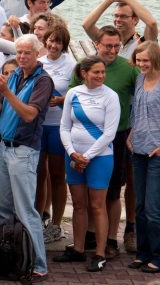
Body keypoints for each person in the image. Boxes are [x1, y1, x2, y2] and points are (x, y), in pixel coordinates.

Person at [0, 34, 53, 282]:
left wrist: (5, 91)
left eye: (27, 53)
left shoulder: (43, 81)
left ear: (37, 54)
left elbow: (28, 115)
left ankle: (39, 264)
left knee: (26, 210)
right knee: (3, 209)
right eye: (19, 53)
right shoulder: (14, 76)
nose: (22, 57)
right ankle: (11, 258)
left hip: (24, 150)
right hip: (5, 147)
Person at [71, 25, 138, 259]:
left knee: (111, 192)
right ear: (96, 44)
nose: (111, 50)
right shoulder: (83, 68)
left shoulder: (129, 68)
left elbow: (141, 98)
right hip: (82, 141)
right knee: (85, 193)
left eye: (116, 46)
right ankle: (88, 237)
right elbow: (71, 98)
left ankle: (111, 240)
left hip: (116, 136)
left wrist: (136, 128)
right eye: (107, 45)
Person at [52, 56, 120, 272]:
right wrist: (72, 153)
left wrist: (87, 156)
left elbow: (109, 133)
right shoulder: (73, 94)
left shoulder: (111, 96)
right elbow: (64, 127)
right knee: (79, 205)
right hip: (73, 157)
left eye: (103, 72)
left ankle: (100, 254)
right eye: (96, 72)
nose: (101, 76)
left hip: (99, 158)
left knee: (97, 206)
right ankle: (78, 249)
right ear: (84, 73)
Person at [38, 25, 76, 244]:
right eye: (51, 40)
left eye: (58, 42)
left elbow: (76, 93)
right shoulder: (39, 63)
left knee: (57, 176)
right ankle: (39, 218)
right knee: (38, 175)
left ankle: (56, 224)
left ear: (64, 45)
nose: (53, 45)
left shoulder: (71, 65)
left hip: (58, 126)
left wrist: (61, 100)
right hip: (38, 126)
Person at [130, 41, 160, 272]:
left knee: (153, 209)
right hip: (137, 149)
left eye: (146, 60)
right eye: (139, 60)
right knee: (139, 207)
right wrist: (131, 133)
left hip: (156, 152)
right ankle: (143, 252)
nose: (141, 64)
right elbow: (137, 111)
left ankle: (158, 256)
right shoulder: (140, 78)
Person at [82, 0, 158, 61]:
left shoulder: (142, 44)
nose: (118, 20)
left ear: (135, 20)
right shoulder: (109, 42)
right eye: (116, 16)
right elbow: (87, 25)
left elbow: (152, 24)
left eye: (123, 16)